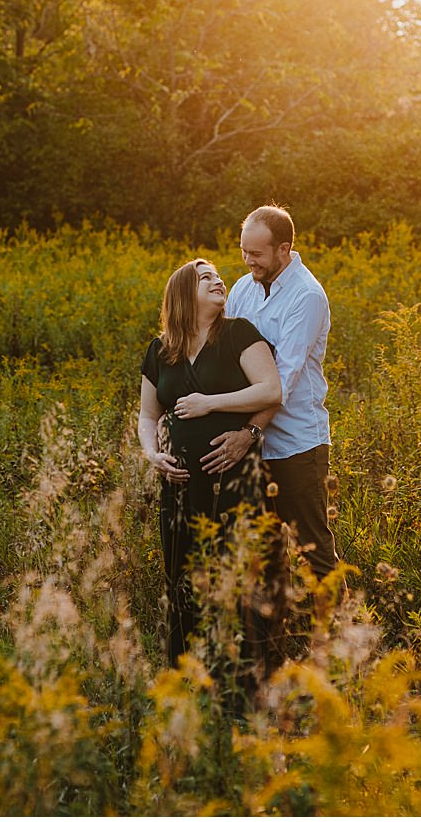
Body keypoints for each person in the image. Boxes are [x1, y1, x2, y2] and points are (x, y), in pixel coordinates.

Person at [138, 255, 282, 668]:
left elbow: (271, 390)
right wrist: (152, 455)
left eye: (218, 276)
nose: (219, 281)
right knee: (183, 577)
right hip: (180, 487)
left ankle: (242, 685)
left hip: (235, 480)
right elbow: (148, 415)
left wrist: (208, 404)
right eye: (206, 278)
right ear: (184, 293)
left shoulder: (238, 333)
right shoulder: (161, 350)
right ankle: (188, 675)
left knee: (240, 576)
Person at [209, 205, 338, 590]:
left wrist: (248, 432)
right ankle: (273, 641)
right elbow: (226, 357)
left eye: (257, 254)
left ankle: (344, 639)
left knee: (314, 551)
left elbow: (283, 381)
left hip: (297, 444)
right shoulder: (245, 288)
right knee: (265, 553)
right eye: (244, 251)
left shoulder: (307, 296)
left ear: (284, 249)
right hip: (253, 446)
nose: (249, 261)